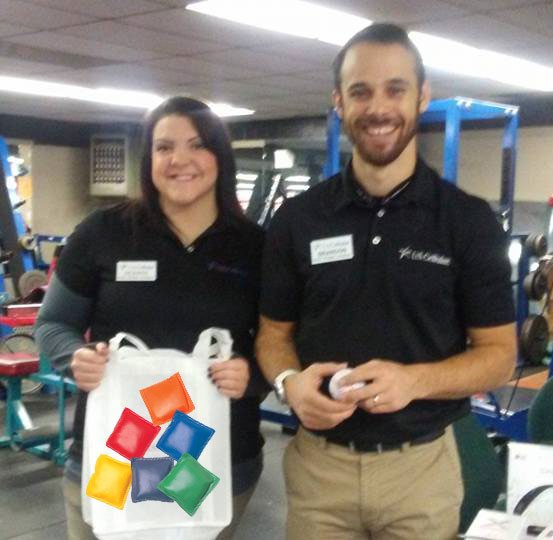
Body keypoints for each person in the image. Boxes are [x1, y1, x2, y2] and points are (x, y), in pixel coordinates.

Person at [255, 23, 517, 540]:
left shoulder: (466, 221)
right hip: (318, 473)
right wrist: (289, 385)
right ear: (339, 102)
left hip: (419, 473)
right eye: (361, 91)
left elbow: (499, 355)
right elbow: (272, 336)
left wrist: (413, 380)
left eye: (395, 89)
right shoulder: (298, 219)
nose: (378, 108)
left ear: (422, 98)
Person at [34, 96, 267, 540]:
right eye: (164, 147)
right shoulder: (103, 232)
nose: (180, 159)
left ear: (220, 154)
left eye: (197, 145)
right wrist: (75, 357)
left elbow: (282, 339)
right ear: (149, 158)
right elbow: (52, 324)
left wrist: (253, 374)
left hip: (216, 460)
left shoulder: (255, 247)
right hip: (112, 456)